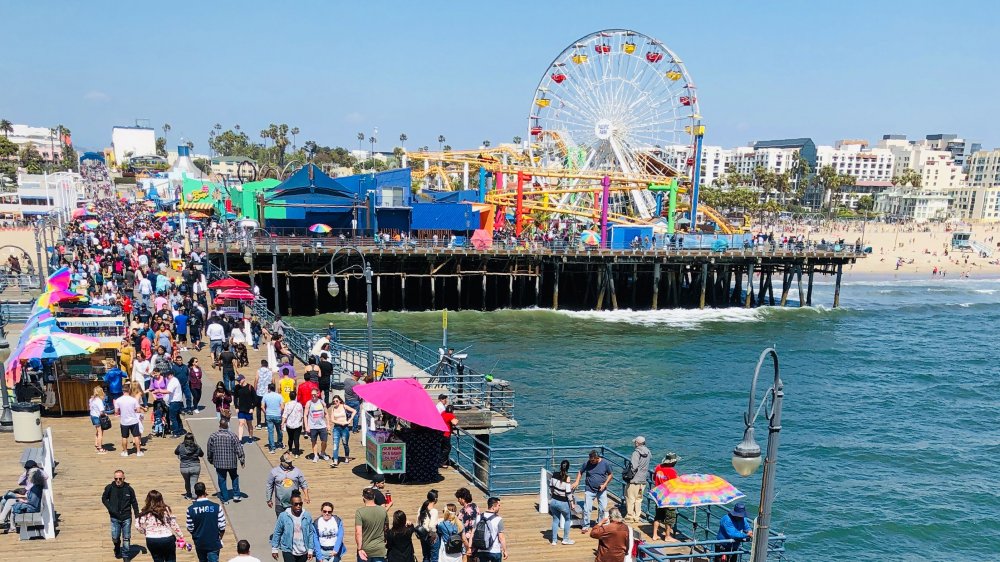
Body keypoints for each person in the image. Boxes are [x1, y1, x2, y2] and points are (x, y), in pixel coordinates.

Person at [136, 490, 187, 562]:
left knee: (157, 559)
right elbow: (173, 524)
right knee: (171, 559)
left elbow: (138, 526)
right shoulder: (166, 509)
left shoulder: (144, 511)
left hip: (152, 539)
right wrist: (181, 536)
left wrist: (145, 532)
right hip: (167, 538)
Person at [572, 450, 613, 532]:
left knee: (602, 508)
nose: (591, 462)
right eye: (590, 460)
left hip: (602, 490)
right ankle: (586, 525)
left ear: (597, 458)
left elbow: (610, 474)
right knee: (587, 509)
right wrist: (577, 481)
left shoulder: (605, 463)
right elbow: (580, 472)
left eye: (593, 460)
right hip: (589, 489)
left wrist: (604, 484)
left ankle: (599, 524)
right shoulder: (587, 463)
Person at [206, 420, 245, 504]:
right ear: (227, 426)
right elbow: (239, 449)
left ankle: (225, 498)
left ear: (219, 426)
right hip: (231, 462)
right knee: (234, 477)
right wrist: (242, 460)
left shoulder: (213, 436)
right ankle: (236, 495)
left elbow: (209, 449)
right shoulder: (232, 435)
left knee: (222, 479)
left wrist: (210, 459)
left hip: (219, 463)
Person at [103, 469, 140, 559]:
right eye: (116, 479)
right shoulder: (109, 488)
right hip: (114, 517)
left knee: (126, 538)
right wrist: (110, 509)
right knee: (115, 537)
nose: (118, 481)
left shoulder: (129, 489)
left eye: (120, 479)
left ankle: (125, 556)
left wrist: (137, 516)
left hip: (126, 517)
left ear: (124, 478)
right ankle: (117, 547)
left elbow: (134, 502)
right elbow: (104, 498)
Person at [186, 482, 227, 562]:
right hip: (213, 542)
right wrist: (219, 538)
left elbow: (190, 527)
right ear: (205, 491)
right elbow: (222, 526)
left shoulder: (190, 509)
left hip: (200, 542)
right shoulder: (217, 507)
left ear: (195, 492)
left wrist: (196, 535)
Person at [270, 489, 314, 562]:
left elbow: (311, 533)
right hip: (288, 550)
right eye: (296, 504)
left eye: (300, 504)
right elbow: (277, 532)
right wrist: (274, 548)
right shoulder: (284, 516)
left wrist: (310, 549)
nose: (298, 506)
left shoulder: (307, 515)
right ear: (291, 504)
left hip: (303, 550)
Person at [266, 452, 310, 518]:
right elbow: (269, 485)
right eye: (288, 462)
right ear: (282, 462)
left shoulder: (297, 471)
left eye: (291, 462)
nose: (290, 464)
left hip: (295, 503)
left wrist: (306, 496)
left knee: (294, 523)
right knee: (282, 524)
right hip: (280, 504)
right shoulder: (274, 471)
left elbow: (303, 483)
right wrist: (269, 499)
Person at [651, 452, 680, 541]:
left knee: (658, 516)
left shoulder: (658, 467)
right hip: (668, 497)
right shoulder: (672, 471)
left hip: (659, 495)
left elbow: (654, 478)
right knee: (670, 517)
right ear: (671, 462)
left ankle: (655, 535)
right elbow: (675, 484)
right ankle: (667, 536)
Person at [355, 488, 389, 562]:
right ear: (374, 497)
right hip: (379, 549)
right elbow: (386, 528)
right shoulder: (383, 510)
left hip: (365, 550)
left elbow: (358, 533)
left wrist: (359, 549)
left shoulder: (360, 512)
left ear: (363, 498)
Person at [624, 436, 651, 523]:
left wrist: (629, 474)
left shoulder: (636, 453)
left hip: (634, 480)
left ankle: (629, 517)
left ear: (637, 443)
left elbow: (634, 466)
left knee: (630, 498)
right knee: (639, 499)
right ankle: (637, 516)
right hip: (643, 480)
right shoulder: (648, 452)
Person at [548, 460, 575, 546]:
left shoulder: (554, 474)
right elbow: (568, 492)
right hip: (563, 502)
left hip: (553, 502)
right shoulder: (567, 478)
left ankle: (554, 540)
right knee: (567, 519)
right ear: (568, 468)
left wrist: (553, 495)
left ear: (560, 466)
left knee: (555, 520)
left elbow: (551, 488)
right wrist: (572, 503)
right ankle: (565, 539)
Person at [472, 497, 508, 561]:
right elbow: (501, 537)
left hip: (481, 550)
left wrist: (470, 548)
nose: (499, 507)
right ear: (493, 507)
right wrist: (505, 550)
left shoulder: (479, 517)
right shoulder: (498, 519)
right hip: (495, 551)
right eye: (498, 505)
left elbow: (473, 533)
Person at [115, 385, 145, 457]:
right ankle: (138, 451)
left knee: (124, 437)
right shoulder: (133, 400)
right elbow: (138, 410)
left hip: (124, 421)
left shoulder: (118, 400)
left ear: (122, 391)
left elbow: (116, 411)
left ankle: (125, 452)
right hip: (133, 421)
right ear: (129, 391)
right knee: (136, 436)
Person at [327, 395, 356, 468]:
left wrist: (349, 420)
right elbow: (332, 420)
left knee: (345, 443)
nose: (335, 402)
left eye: (336, 401)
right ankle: (335, 461)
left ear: (339, 400)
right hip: (336, 428)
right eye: (334, 401)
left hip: (345, 428)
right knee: (335, 445)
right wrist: (340, 423)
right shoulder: (333, 408)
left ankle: (346, 457)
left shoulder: (344, 406)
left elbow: (354, 411)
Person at [175, 433, 205, 500]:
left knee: (187, 481)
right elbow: (201, 454)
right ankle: (194, 496)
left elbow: (176, 452)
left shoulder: (180, 446)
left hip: (184, 467)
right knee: (194, 482)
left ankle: (188, 495)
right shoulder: (197, 447)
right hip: (195, 466)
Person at [306, 388, 329, 463]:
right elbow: (305, 415)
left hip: (322, 425)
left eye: (314, 394)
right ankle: (315, 455)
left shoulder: (322, 402)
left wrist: (328, 424)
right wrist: (306, 426)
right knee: (314, 441)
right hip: (312, 426)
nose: (313, 396)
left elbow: (326, 413)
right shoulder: (309, 403)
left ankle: (322, 452)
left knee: (324, 441)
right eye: (312, 394)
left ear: (318, 394)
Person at [455, 488, 479, 557]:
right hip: (476, 537)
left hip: (467, 539)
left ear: (463, 499)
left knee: (466, 557)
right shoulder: (475, 506)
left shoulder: (463, 511)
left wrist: (469, 546)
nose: (458, 501)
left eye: (459, 498)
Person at [262, 383, 285, 454]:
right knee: (279, 430)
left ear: (269, 389)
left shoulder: (265, 396)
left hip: (269, 415)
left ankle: (272, 448)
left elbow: (262, 406)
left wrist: (266, 412)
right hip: (277, 415)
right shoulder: (279, 396)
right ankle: (280, 443)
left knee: (270, 432)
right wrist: (280, 412)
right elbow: (282, 406)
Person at [417, 490, 439, 562]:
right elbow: (432, 526)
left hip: (423, 535)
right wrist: (433, 536)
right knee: (434, 558)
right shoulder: (434, 511)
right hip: (430, 536)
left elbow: (418, 521)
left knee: (426, 556)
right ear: (435, 499)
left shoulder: (421, 508)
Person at [234, 375, 257, 444]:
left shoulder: (250, 387)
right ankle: (240, 439)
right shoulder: (237, 387)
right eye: (237, 380)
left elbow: (255, 399)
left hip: (248, 408)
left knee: (249, 423)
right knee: (241, 423)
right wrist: (236, 407)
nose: (238, 382)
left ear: (244, 379)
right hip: (241, 408)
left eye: (239, 380)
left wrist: (252, 408)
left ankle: (250, 437)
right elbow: (235, 398)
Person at [164, 367, 185, 438]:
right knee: (177, 417)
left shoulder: (173, 381)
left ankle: (176, 432)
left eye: (167, 375)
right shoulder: (175, 380)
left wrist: (159, 391)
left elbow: (169, 391)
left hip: (174, 402)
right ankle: (180, 429)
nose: (167, 377)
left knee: (172, 417)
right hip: (178, 401)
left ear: (171, 375)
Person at [282, 390, 304, 457]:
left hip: (289, 424)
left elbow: (285, 415)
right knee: (296, 439)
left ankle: (290, 450)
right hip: (298, 424)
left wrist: (282, 423)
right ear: (295, 396)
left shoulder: (287, 404)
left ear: (289, 397)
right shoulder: (299, 405)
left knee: (290, 438)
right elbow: (301, 415)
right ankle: (297, 453)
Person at [254, 359, 273, 429]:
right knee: (267, 408)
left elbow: (256, 380)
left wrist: (254, 389)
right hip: (267, 392)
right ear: (267, 365)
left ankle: (259, 424)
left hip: (259, 392)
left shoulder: (258, 371)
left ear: (261, 364)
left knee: (258, 408)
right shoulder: (270, 372)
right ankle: (266, 423)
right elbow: (273, 381)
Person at [90, 386, 108, 454]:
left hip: (93, 416)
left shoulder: (92, 399)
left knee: (97, 431)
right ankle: (100, 448)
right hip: (98, 417)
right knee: (100, 433)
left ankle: (96, 445)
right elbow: (101, 411)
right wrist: (105, 414)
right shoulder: (99, 401)